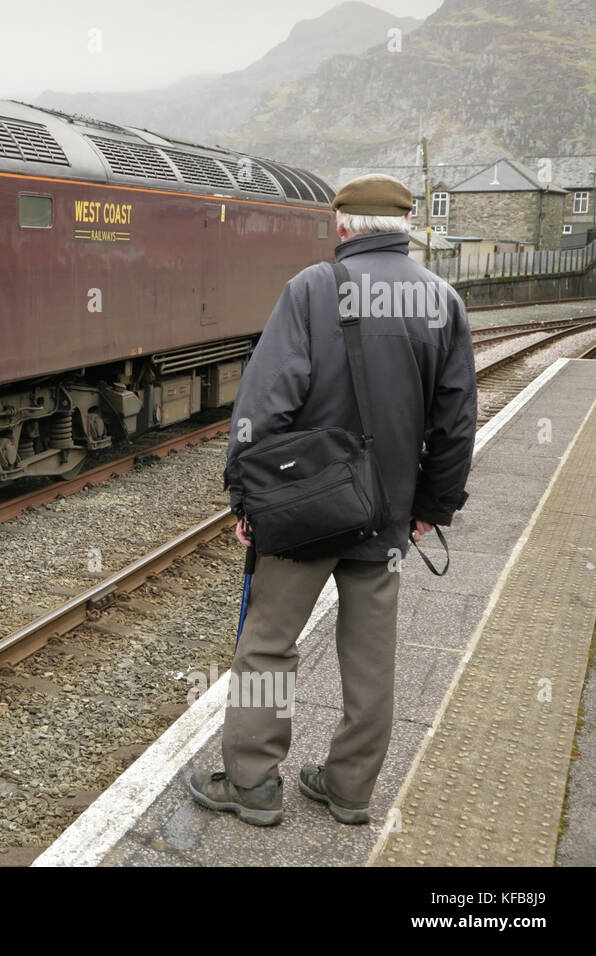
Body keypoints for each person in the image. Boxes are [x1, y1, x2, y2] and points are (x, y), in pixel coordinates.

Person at [188, 173, 477, 826]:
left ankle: (254, 783)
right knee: (371, 658)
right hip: (388, 515)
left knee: (267, 645)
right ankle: (349, 788)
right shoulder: (442, 301)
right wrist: (433, 504)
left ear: (342, 227)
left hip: (304, 513)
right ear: (407, 228)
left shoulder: (313, 291)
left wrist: (247, 499)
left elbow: (263, 405)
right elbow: (457, 420)